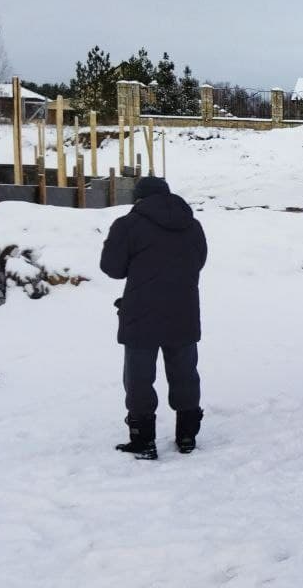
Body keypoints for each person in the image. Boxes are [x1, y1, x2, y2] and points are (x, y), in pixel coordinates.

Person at [100, 176, 207, 460]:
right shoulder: (192, 224)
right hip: (183, 309)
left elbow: (112, 268)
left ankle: (143, 440)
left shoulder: (127, 225)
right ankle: (187, 436)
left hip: (141, 310)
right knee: (185, 374)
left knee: (139, 378)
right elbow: (200, 261)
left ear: (139, 198)